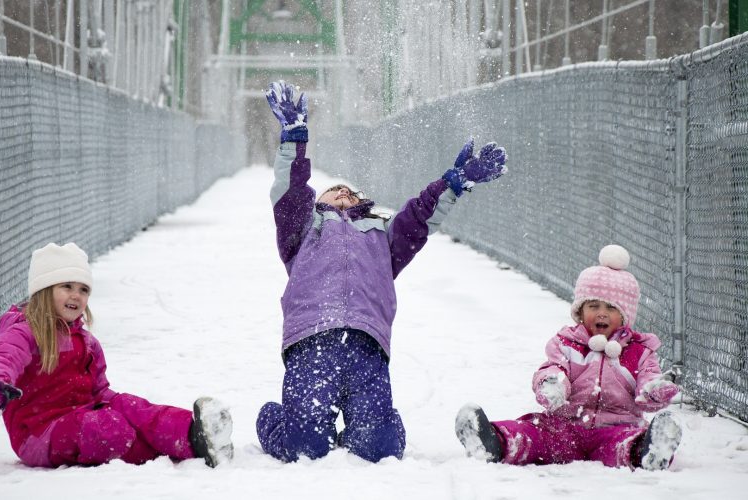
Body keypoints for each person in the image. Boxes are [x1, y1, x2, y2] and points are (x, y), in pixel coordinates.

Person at [256, 80, 508, 463]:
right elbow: (290, 189)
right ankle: (275, 420)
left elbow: (420, 217)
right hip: (312, 341)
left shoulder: (382, 237)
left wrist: (452, 185)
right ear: (316, 203)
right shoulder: (301, 231)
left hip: (367, 344)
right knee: (304, 446)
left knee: (379, 449)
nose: (343, 194)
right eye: (333, 192)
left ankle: (377, 427)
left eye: (351, 193)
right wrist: (294, 138)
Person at [0, 242, 234, 468]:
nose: (76, 295)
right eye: (67, 286)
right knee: (108, 427)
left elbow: (99, 391)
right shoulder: (25, 331)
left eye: (83, 290)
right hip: (39, 433)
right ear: (44, 290)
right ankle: (167, 449)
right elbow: (3, 356)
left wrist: (126, 408)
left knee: (132, 408)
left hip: (80, 414)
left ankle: (193, 433)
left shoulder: (87, 342)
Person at [455, 244, 682, 470]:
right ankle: (493, 442)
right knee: (533, 433)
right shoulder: (567, 343)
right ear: (580, 312)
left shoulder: (639, 351)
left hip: (615, 427)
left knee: (622, 445)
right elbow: (554, 367)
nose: (601, 313)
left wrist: (655, 390)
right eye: (593, 305)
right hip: (565, 427)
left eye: (611, 309)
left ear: (625, 317)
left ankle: (647, 451)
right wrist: (552, 384)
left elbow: (648, 381)